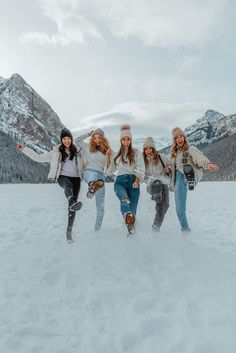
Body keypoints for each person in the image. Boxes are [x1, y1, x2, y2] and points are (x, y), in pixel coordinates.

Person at [17, 128, 83, 243]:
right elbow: (38, 158)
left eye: (69, 139)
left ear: (71, 139)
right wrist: (24, 149)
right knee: (68, 188)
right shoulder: (55, 153)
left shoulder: (77, 152)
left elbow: (85, 164)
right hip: (62, 178)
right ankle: (72, 201)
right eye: (64, 139)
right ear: (61, 140)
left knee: (72, 207)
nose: (67, 141)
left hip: (76, 179)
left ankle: (69, 231)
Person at [170, 127, 219, 233]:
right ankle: (185, 230)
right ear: (174, 140)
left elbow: (198, 156)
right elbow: (172, 170)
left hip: (192, 173)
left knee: (186, 169)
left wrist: (207, 164)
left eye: (181, 136)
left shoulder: (190, 148)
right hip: (178, 178)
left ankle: (190, 180)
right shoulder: (174, 154)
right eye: (177, 137)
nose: (179, 139)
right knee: (179, 210)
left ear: (184, 137)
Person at [106, 125, 145, 235]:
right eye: (123, 139)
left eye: (128, 139)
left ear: (131, 140)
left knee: (133, 212)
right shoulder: (117, 155)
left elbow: (141, 168)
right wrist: (108, 156)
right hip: (119, 182)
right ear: (121, 140)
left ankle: (131, 234)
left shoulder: (136, 153)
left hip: (133, 181)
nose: (126, 142)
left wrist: (137, 181)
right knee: (124, 199)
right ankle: (126, 215)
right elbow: (109, 171)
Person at [75, 129, 112, 231]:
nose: (97, 140)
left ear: (103, 139)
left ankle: (97, 230)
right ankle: (92, 186)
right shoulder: (87, 147)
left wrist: (108, 156)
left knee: (101, 207)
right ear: (92, 139)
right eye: (94, 138)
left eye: (99, 137)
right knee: (94, 175)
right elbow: (76, 140)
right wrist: (87, 134)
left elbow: (109, 169)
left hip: (101, 178)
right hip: (88, 173)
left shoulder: (108, 151)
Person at [143, 137, 172, 232]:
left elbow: (171, 165)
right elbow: (141, 174)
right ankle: (155, 229)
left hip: (163, 183)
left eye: (150, 148)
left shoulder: (161, 157)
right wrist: (149, 180)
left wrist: (168, 168)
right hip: (151, 184)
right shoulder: (143, 161)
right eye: (146, 148)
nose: (148, 150)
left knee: (166, 205)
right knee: (159, 202)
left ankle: (156, 224)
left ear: (153, 149)